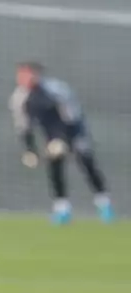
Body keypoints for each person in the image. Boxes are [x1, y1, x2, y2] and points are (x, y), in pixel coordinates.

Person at [9, 61, 114, 225]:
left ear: (36, 74)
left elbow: (72, 117)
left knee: (86, 163)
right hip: (51, 136)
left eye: (26, 74)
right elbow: (24, 127)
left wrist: (63, 140)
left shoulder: (57, 90)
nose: (21, 78)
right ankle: (62, 209)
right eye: (20, 75)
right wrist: (30, 150)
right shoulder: (19, 97)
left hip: (74, 131)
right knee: (55, 167)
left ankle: (104, 204)